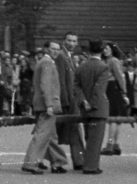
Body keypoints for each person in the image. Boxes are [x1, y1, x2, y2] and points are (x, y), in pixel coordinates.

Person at [21, 40, 70, 174]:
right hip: (46, 105)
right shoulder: (47, 63)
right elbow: (45, 85)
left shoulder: (43, 62)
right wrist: (49, 105)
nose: (55, 51)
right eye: (53, 48)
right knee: (42, 135)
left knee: (51, 136)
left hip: (42, 103)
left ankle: (57, 162)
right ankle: (31, 163)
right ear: (46, 49)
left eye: (58, 49)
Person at [75, 39, 113, 173]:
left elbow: (76, 86)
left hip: (84, 108)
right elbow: (99, 89)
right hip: (98, 108)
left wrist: (83, 101)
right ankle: (91, 166)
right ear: (102, 51)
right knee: (96, 139)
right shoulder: (103, 67)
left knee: (88, 137)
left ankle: (90, 164)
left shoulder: (81, 67)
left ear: (89, 51)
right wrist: (93, 104)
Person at [55, 32, 85, 169]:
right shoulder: (61, 56)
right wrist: (65, 101)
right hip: (67, 100)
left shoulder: (70, 57)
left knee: (74, 129)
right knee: (56, 131)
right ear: (63, 41)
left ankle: (79, 160)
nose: (71, 43)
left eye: (74, 41)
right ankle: (77, 160)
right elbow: (61, 81)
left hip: (72, 100)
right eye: (69, 40)